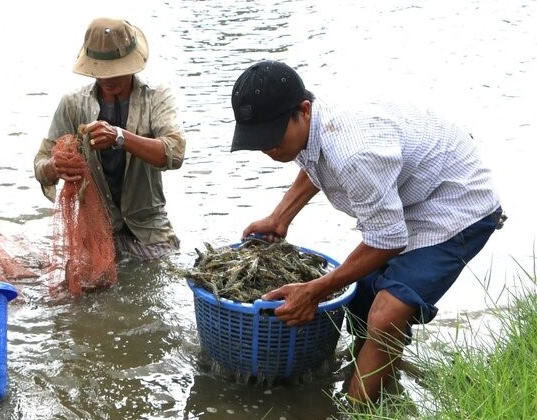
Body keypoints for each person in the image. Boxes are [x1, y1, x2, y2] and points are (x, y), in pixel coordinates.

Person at [230, 60, 504, 403]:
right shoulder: (313, 129)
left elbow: (388, 240)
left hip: (456, 205)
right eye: (258, 140)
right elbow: (316, 166)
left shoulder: (354, 153)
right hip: (411, 194)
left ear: (302, 110)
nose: (268, 149)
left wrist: (314, 290)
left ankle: (357, 409)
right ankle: (378, 375)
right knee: (361, 299)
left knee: (387, 313)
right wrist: (279, 217)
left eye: (272, 137)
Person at [33, 17, 186, 261]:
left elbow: (174, 154)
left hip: (149, 230)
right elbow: (41, 165)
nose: (108, 79)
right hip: (94, 232)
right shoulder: (73, 104)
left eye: (116, 70)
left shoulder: (156, 97)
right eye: (102, 71)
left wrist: (120, 136)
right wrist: (56, 166)